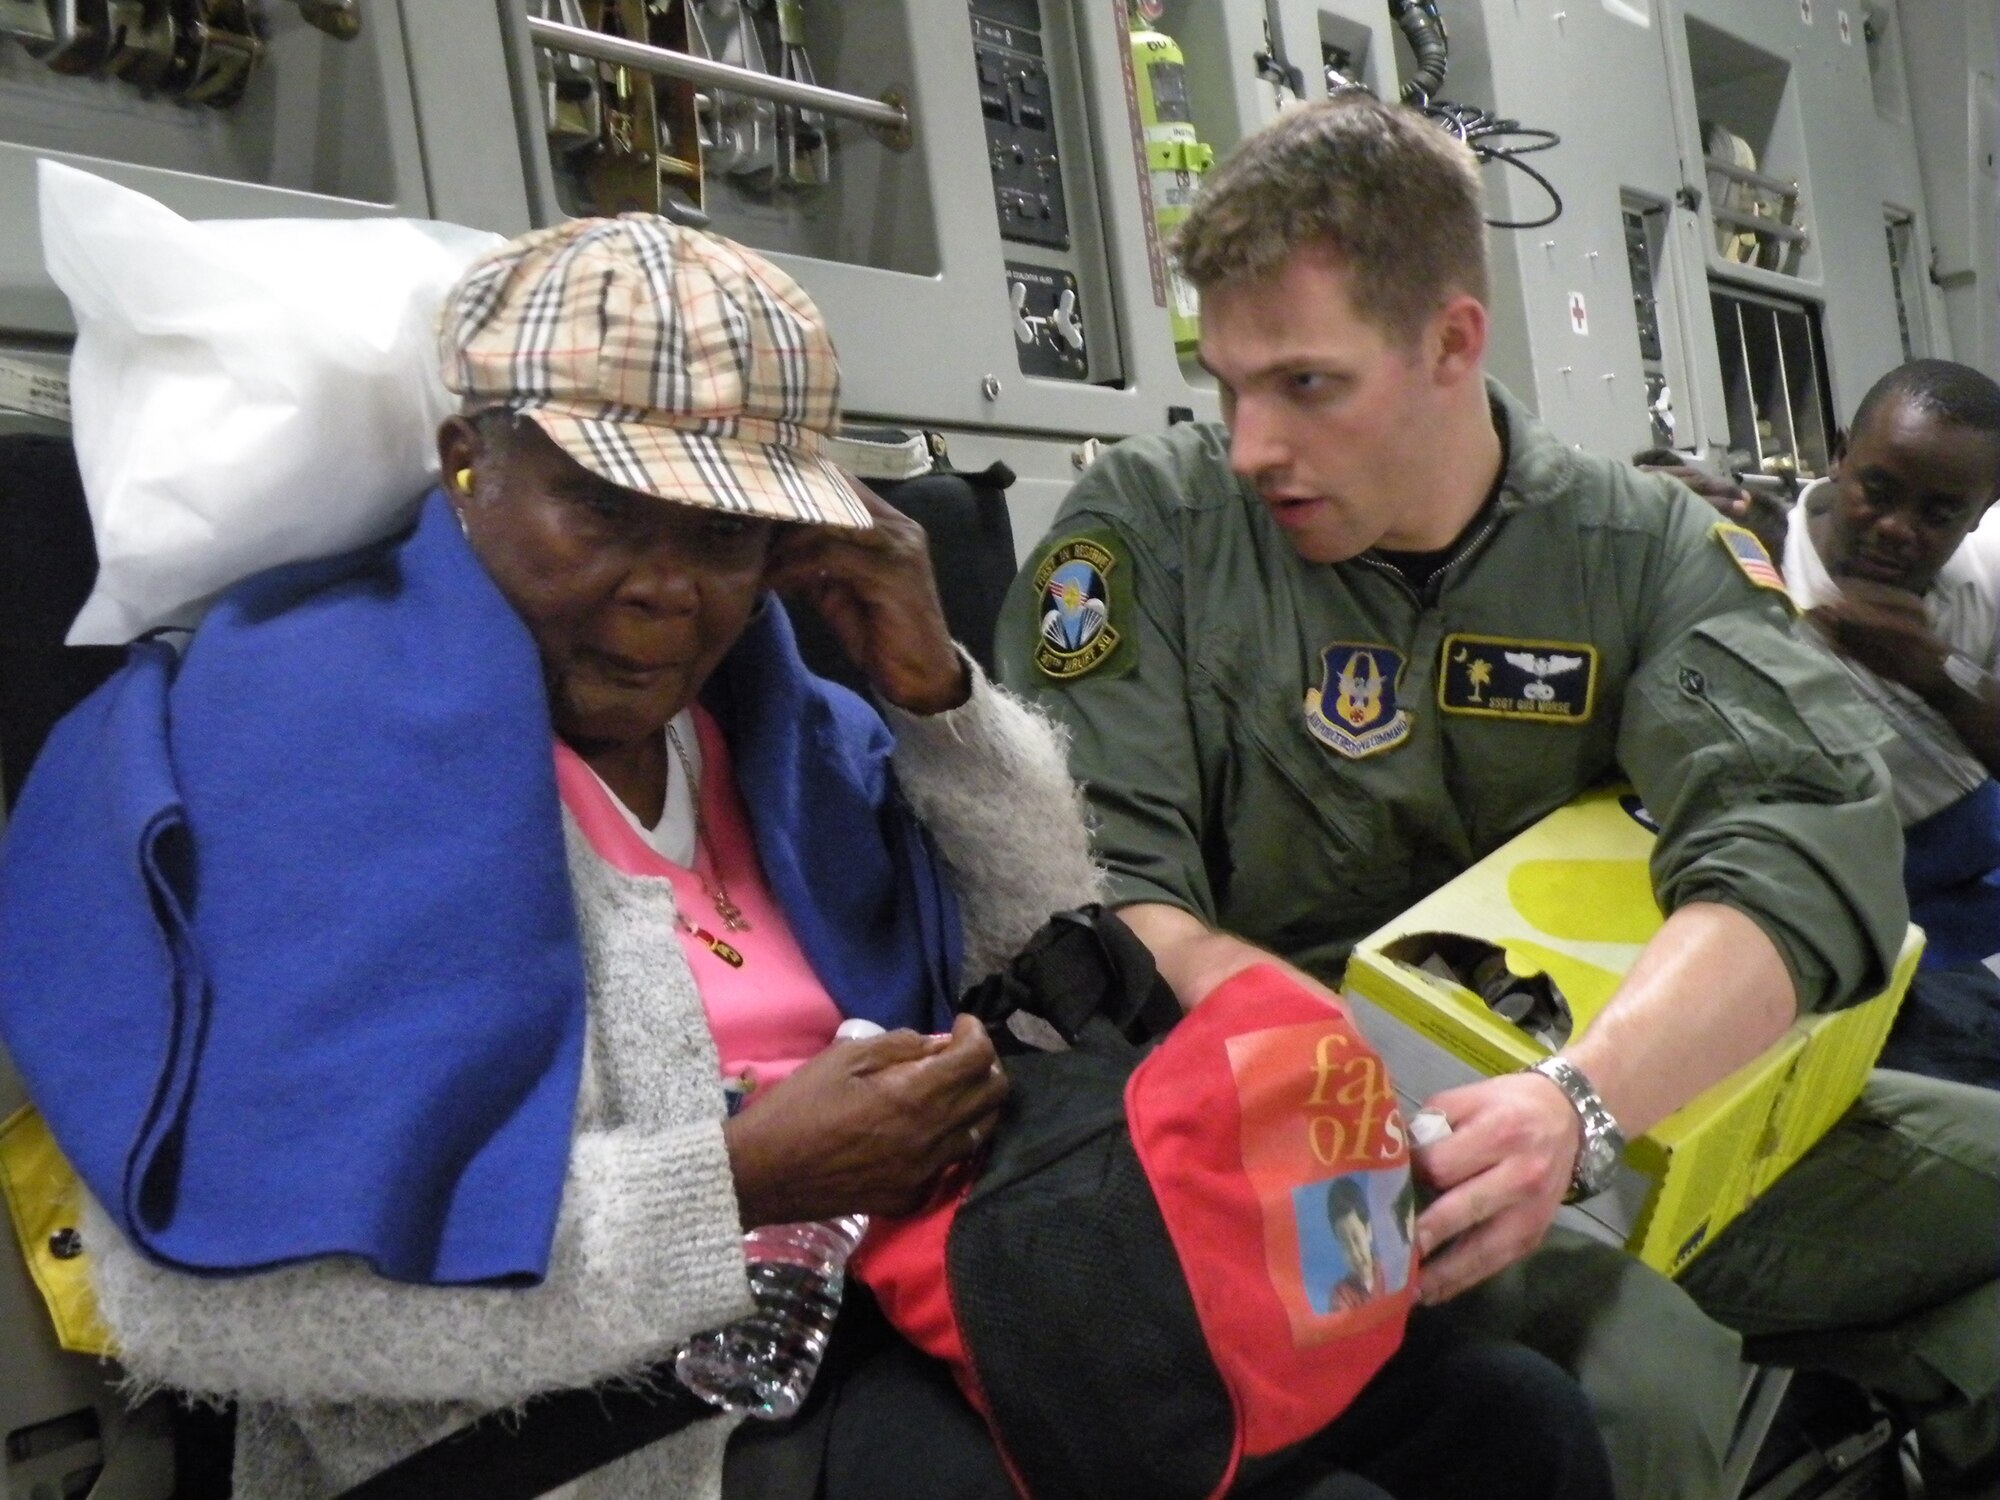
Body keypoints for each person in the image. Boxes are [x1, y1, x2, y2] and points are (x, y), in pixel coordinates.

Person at [0, 216, 1611, 1500]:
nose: (664, 590)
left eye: (723, 534)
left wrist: (939, 707)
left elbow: (1052, 962)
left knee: (1503, 1423)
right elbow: (207, 1307)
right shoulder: (287, 756)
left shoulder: (769, 719)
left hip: (913, 1292)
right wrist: (742, 1181)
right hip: (596, 1430)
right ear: (465, 459)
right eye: (601, 507)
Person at [997, 93, 2000, 1500]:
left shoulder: (1634, 548)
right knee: (1639, 1390)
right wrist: (1375, 1086)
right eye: (1227, 386)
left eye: (1304, 385)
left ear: (1451, 343)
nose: (1249, 448)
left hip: (1614, 1092)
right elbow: (1100, 902)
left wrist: (1575, 1109)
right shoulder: (1151, 539)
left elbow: (1800, 829)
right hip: (1314, 1140)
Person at [1325, 1177, 1385, 1312]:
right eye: (1345, 1244)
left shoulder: (1389, 1271)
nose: (1355, 1254)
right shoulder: (1341, 1295)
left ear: (1368, 1231)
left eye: (1357, 1239)